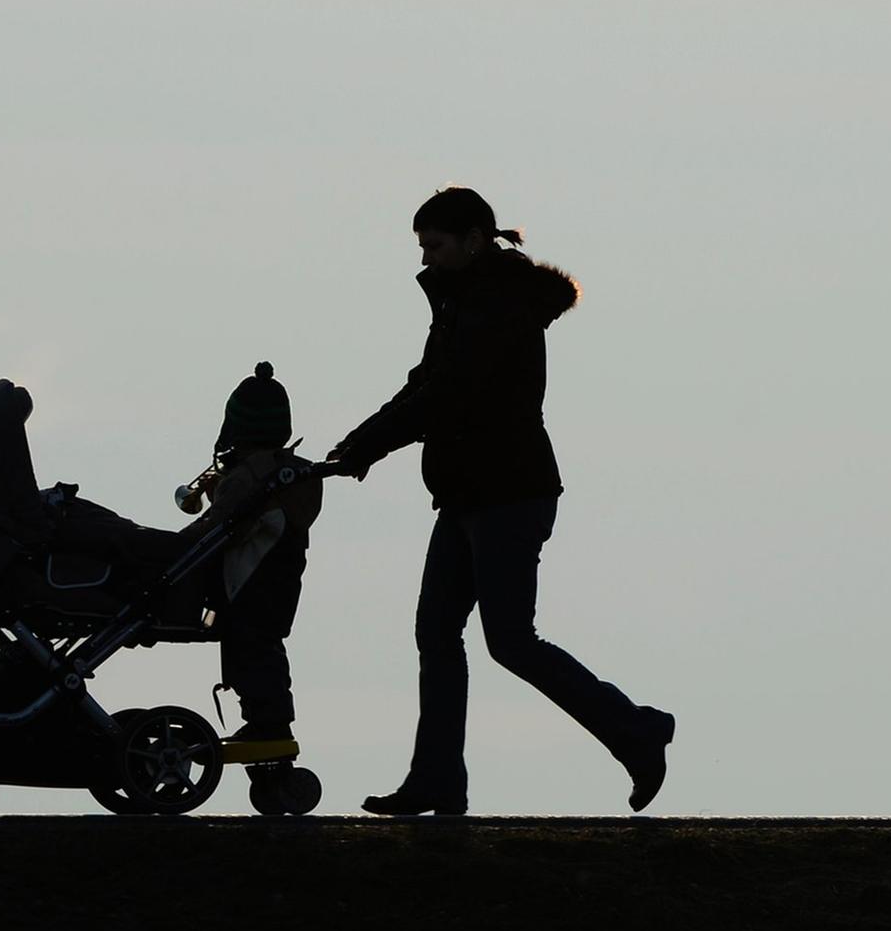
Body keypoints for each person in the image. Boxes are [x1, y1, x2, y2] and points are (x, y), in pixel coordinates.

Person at [330, 186, 674, 816]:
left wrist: (365, 447)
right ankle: (437, 781)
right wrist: (356, 444)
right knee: (437, 633)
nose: (426, 259)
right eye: (422, 247)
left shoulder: (496, 305)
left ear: (473, 240)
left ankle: (637, 730)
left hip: (509, 492)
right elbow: (425, 384)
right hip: (467, 492)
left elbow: (446, 394)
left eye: (435, 245)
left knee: (510, 641)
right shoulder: (465, 300)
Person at [180, 362, 323, 762]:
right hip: (281, 583)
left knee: (248, 653)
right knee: (265, 651)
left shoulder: (248, 477)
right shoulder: (295, 476)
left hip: (246, 587)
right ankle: (269, 722)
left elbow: (222, 528)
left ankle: (268, 726)